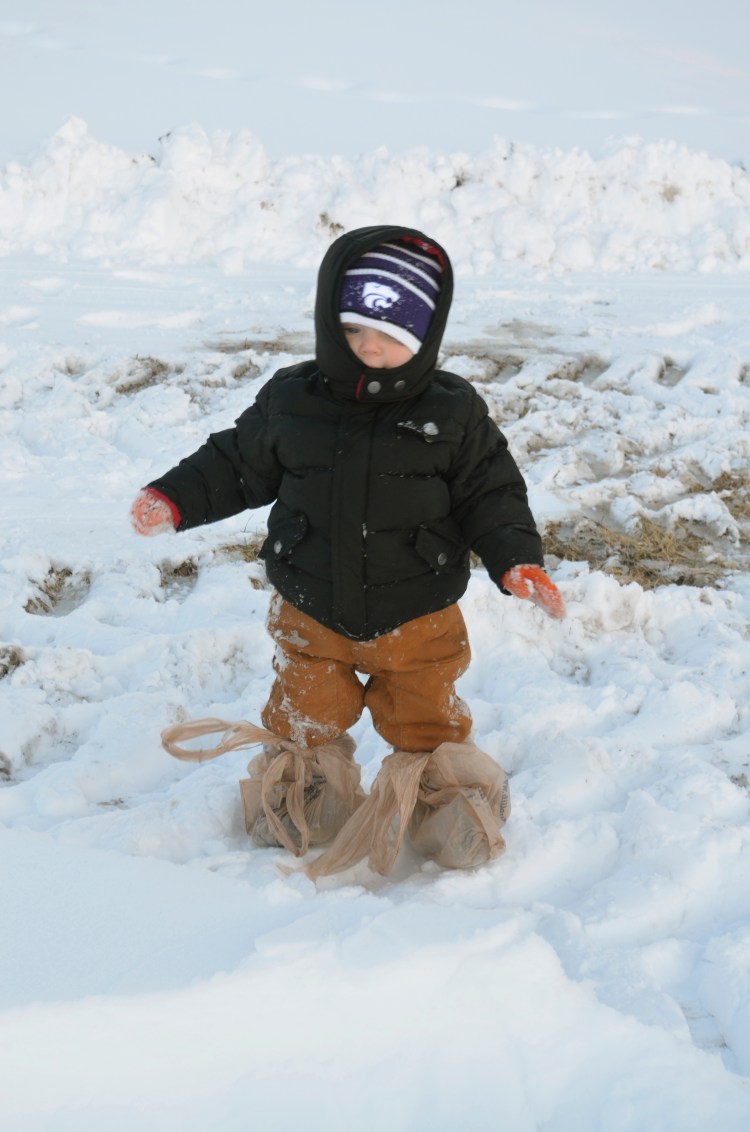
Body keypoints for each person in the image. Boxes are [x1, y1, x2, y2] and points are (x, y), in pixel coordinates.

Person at [130, 224, 565, 878]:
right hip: (312, 605)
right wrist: (176, 497)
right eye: (353, 329)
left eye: (389, 337)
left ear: (423, 340)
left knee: (424, 716)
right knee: (307, 709)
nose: (367, 347)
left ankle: (443, 799)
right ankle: (306, 791)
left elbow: (491, 492)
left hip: (417, 610)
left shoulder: (454, 413)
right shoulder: (293, 399)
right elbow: (235, 463)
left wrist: (515, 559)